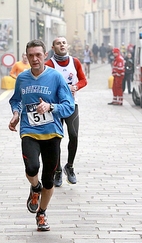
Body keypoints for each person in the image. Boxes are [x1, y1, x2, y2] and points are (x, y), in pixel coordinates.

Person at [8, 39, 75, 231]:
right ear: (27, 57)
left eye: (38, 55)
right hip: (29, 130)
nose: (35, 59)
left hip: (52, 133)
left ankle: (42, 213)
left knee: (49, 179)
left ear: (46, 56)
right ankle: (34, 188)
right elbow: (16, 101)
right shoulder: (22, 78)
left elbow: (68, 106)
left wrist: (50, 106)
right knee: (31, 167)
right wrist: (15, 114)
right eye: (31, 56)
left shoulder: (55, 78)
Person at [45, 36, 88, 187]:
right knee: (56, 139)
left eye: (64, 42)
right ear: (53, 47)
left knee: (74, 135)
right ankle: (57, 171)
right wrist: (61, 90)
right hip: (55, 107)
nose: (61, 45)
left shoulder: (74, 62)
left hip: (71, 105)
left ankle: (69, 166)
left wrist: (76, 87)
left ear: (67, 45)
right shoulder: (49, 64)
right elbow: (46, 84)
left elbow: (84, 80)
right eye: (58, 43)